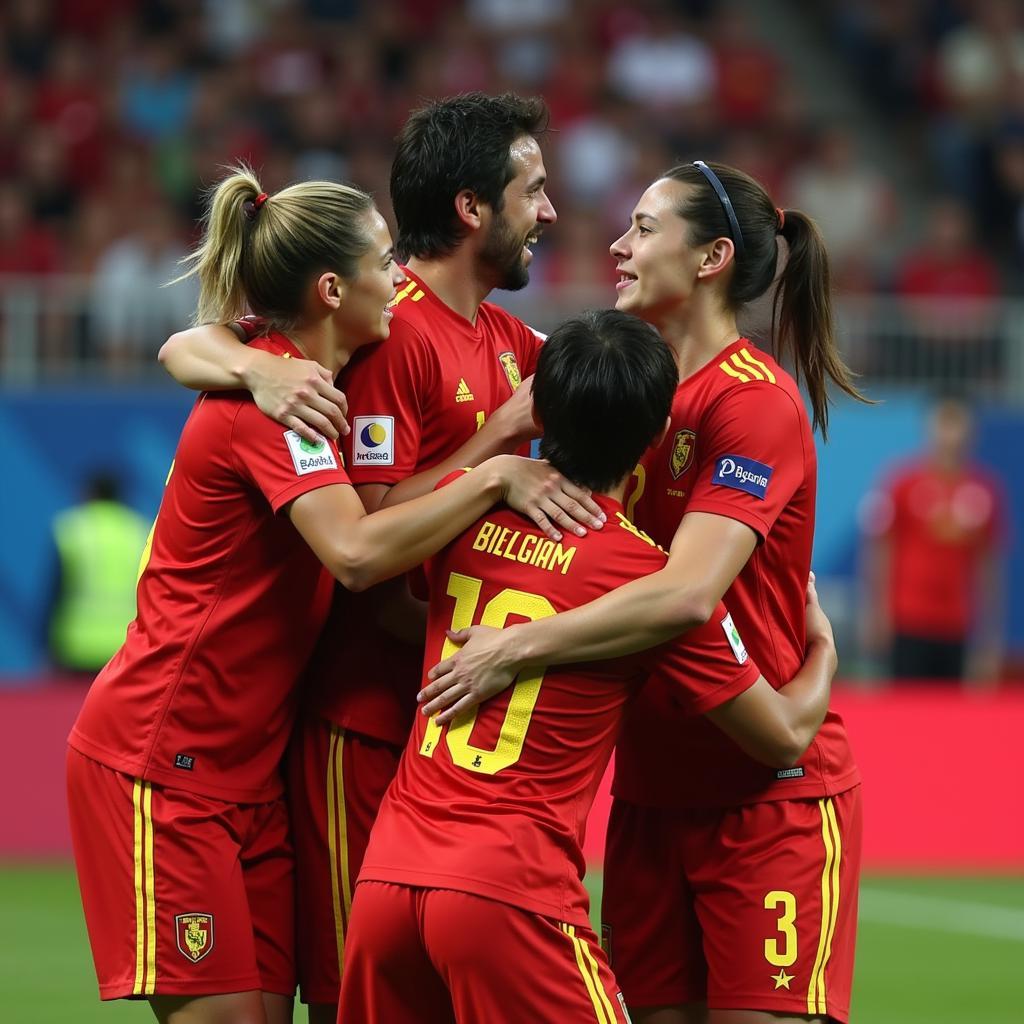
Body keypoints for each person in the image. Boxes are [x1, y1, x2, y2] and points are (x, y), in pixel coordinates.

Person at [66, 165, 596, 1024]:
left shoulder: (289, 378)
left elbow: (191, 346)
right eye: (385, 264)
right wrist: (497, 473)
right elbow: (355, 553)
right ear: (329, 289)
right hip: (164, 758)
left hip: (253, 772)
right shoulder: (274, 402)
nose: (399, 281)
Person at [419, 161, 869, 1024]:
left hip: (766, 794)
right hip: (647, 799)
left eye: (645, 228)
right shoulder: (619, 383)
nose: (618, 246)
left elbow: (687, 595)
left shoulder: (754, 404)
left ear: (711, 259)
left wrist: (515, 647)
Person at [339, 309, 839, 1024]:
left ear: (538, 411)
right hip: (509, 893)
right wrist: (823, 648)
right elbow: (783, 735)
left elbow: (377, 568)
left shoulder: (461, 523)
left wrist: (490, 471)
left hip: (387, 884)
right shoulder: (650, 586)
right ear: (659, 433)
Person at [860, 396, 1006, 683]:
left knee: (951, 718)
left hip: (956, 624)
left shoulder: (984, 490)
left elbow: (989, 567)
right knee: (906, 714)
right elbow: (880, 549)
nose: (950, 433)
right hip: (908, 621)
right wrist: (876, 613)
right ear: (930, 426)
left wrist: (990, 639)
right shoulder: (901, 482)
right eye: (944, 422)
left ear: (971, 429)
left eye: (957, 422)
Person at [48, 470, 149, 676]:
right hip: (126, 646)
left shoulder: (72, 529)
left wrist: (46, 645)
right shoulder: (140, 530)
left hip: (76, 647)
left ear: (90, 493)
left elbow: (54, 592)